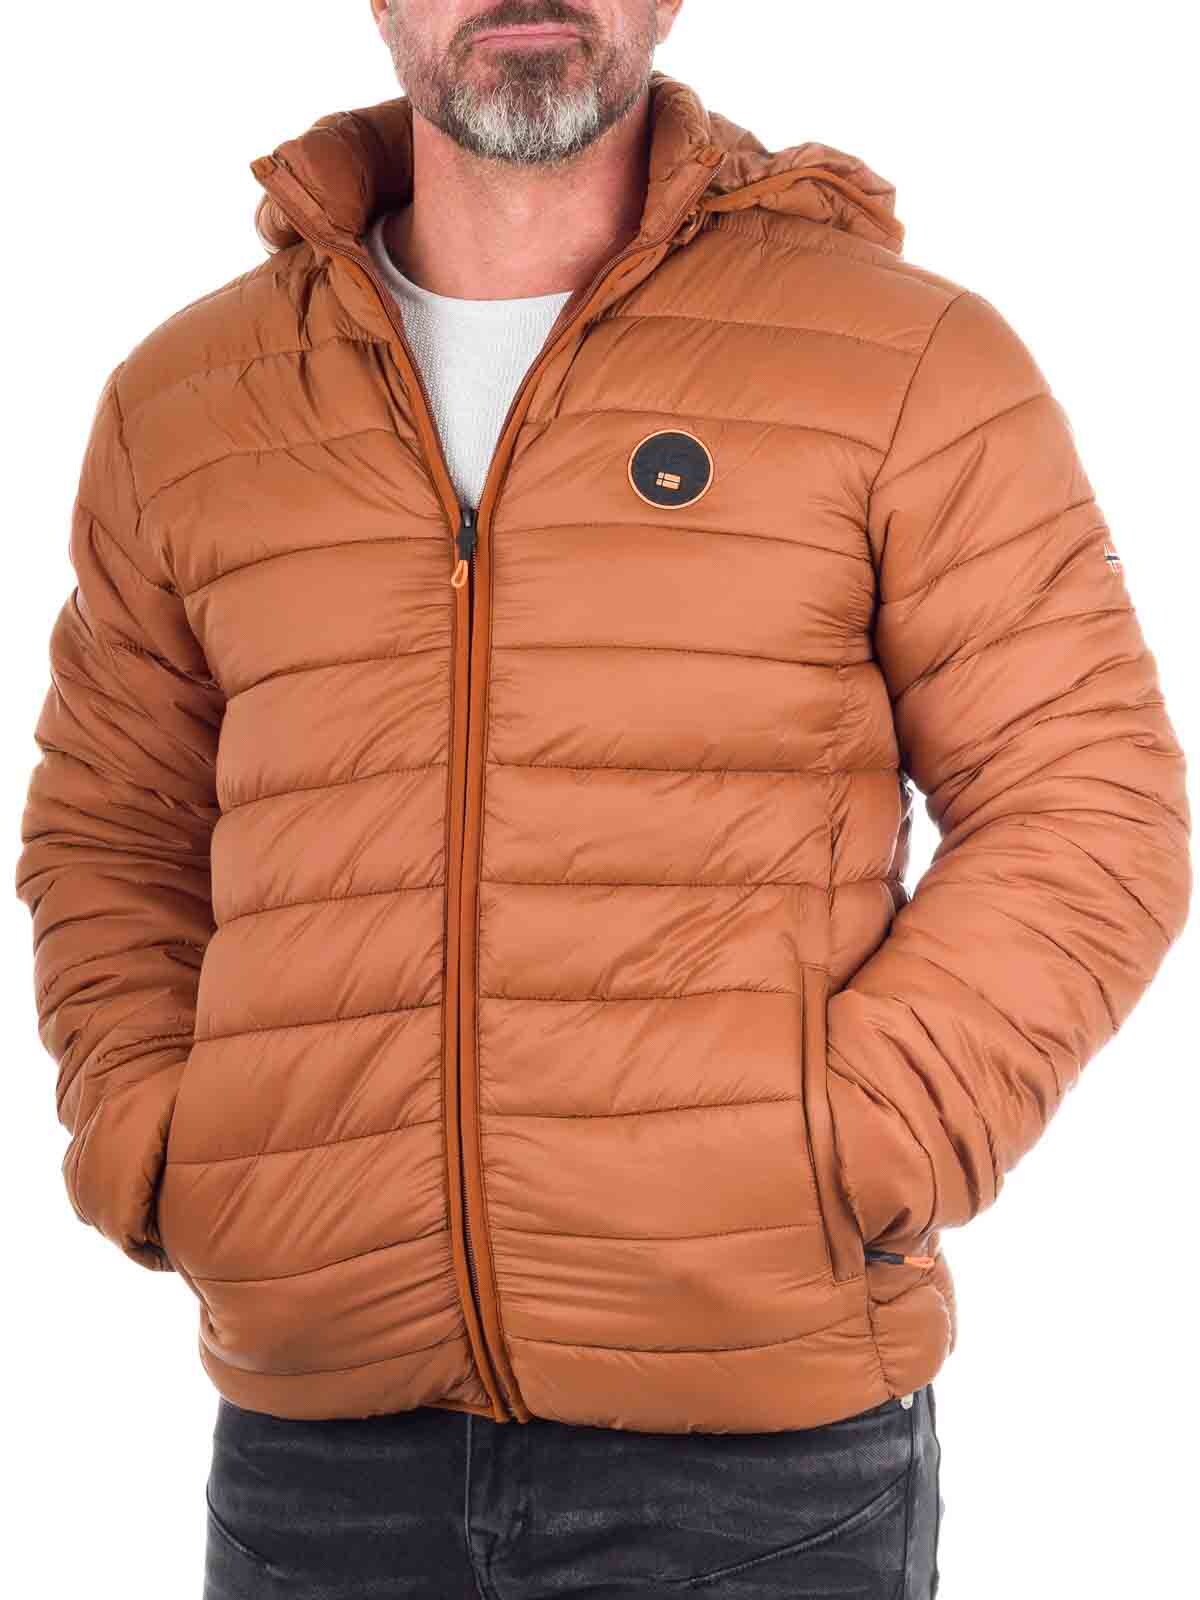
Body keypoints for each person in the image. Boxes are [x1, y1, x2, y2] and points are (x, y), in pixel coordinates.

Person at [15, 1, 1191, 1595]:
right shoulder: (190, 404)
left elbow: (1089, 796)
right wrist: (166, 1144)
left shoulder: (903, 363)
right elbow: (113, 829)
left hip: (758, 1466)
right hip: (319, 1453)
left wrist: (854, 1143)